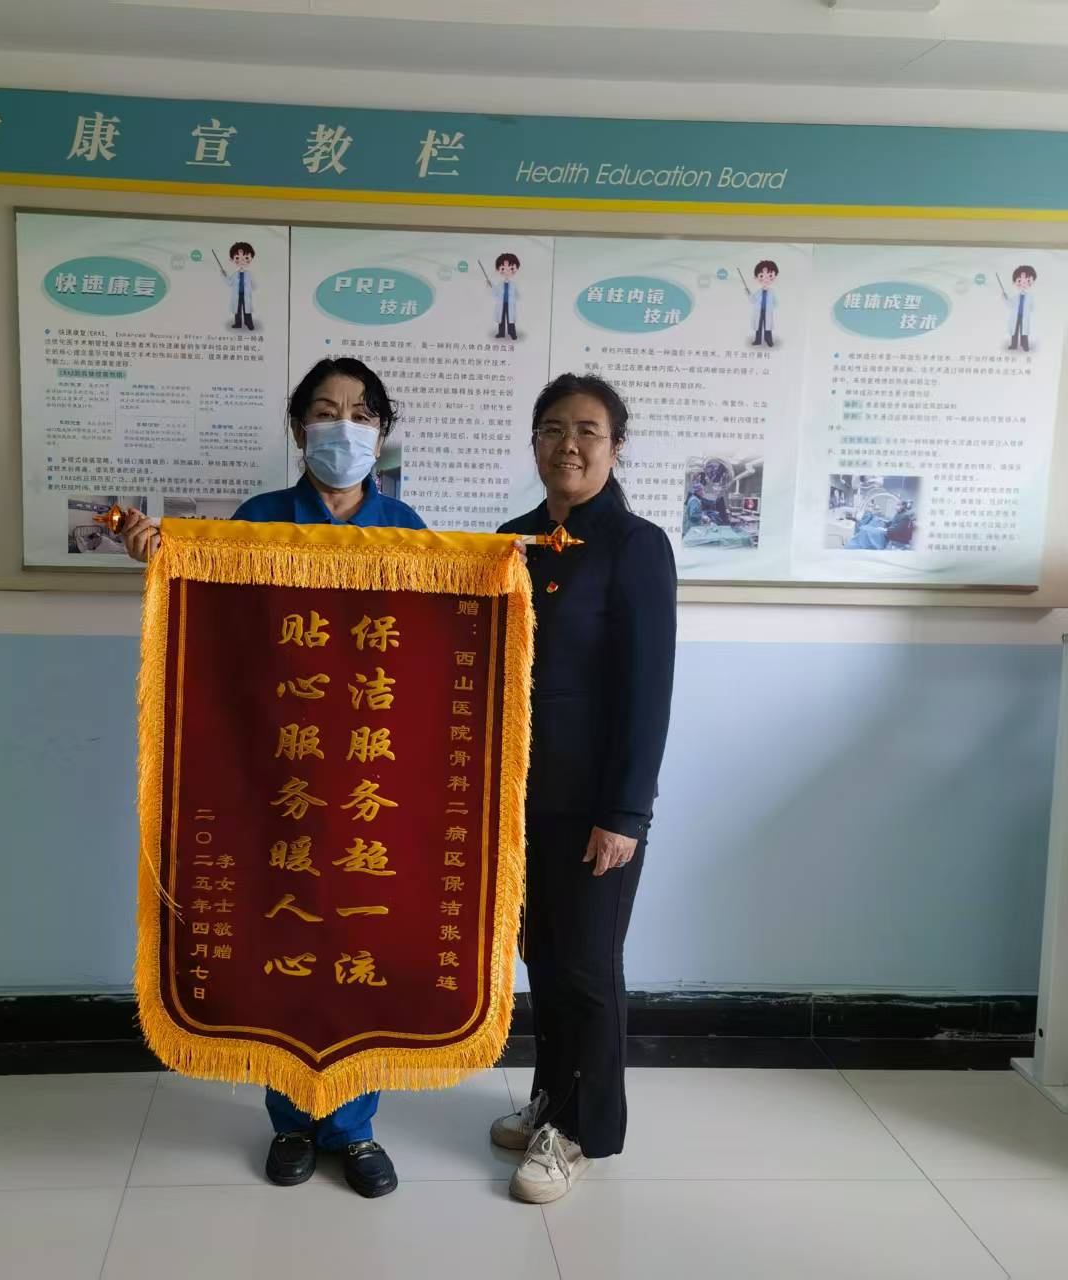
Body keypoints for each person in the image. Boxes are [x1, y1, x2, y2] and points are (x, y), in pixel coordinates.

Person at [121, 356, 423, 1200]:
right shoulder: (257, 520)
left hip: (369, 770)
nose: (343, 427)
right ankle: (291, 1120)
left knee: (358, 942)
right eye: (326, 411)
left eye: (360, 413)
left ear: (380, 433)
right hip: (277, 766)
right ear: (298, 429)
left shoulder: (408, 530)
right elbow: (215, 630)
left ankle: (355, 1128)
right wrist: (161, 557)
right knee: (285, 936)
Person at [491, 373, 677, 1204]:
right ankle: (551, 1098)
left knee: (590, 967)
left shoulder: (636, 546)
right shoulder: (514, 541)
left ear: (615, 446)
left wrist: (625, 814)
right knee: (543, 956)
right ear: (535, 441)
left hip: (596, 804)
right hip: (518, 799)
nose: (568, 444)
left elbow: (648, 691)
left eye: (588, 430)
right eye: (553, 428)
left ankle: (584, 1131)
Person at [227, 241, 256, 331]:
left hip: (245, 294)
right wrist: (224, 275)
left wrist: (252, 288)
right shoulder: (235, 274)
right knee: (237, 309)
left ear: (251, 258)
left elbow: (254, 284)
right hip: (237, 295)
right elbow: (229, 282)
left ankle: (249, 323)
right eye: (237, 258)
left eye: (246, 258)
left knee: (247, 310)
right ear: (232, 259)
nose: (242, 261)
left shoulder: (249, 274)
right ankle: (238, 323)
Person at [749, 259, 778, 347]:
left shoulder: (771, 292)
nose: (766, 279)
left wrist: (772, 307)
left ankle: (768, 340)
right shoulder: (758, 292)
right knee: (758, 326)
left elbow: (775, 302)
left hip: (767, 311)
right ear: (756, 277)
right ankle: (758, 340)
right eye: (761, 276)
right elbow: (753, 300)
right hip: (759, 311)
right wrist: (748, 293)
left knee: (767, 327)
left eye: (770, 276)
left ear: (774, 276)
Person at [492, 252, 521, 340]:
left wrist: (515, 298)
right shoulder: (499, 284)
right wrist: (491, 286)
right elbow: (495, 293)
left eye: (511, 268)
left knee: (510, 319)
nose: (507, 271)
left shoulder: (514, 284)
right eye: (503, 269)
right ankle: (501, 333)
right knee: (501, 318)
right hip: (502, 304)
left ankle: (512, 333)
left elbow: (518, 295)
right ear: (498, 269)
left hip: (510, 304)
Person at [1008, 265, 1036, 352]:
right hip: (1016, 316)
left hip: (1024, 316)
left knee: (1024, 331)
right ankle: (1013, 345)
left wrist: (1031, 308)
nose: (1023, 284)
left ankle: (1025, 345)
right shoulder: (1015, 296)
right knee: (1015, 330)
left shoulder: (1030, 296)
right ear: (1014, 282)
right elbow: (1010, 304)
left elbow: (1032, 307)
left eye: (1028, 281)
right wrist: (1005, 298)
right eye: (1019, 281)